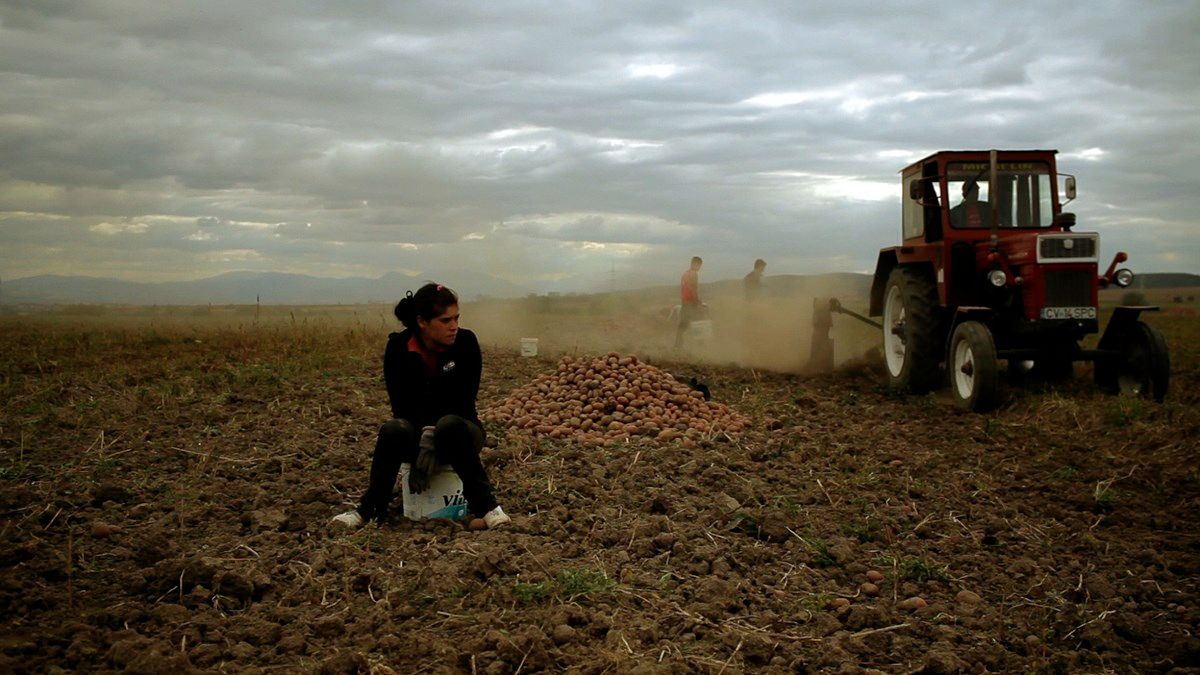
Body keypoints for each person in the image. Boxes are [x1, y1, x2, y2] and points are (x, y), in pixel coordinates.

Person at [333, 283, 510, 529]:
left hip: (462, 432)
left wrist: (432, 442)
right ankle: (370, 510)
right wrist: (420, 450)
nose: (454, 326)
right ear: (422, 321)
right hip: (416, 434)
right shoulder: (398, 348)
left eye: (456, 318)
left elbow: (462, 401)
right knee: (393, 430)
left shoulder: (466, 344)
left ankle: (487, 507)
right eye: (445, 320)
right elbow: (402, 406)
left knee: (449, 425)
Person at [674, 256, 704, 349]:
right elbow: (693, 289)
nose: (699, 268)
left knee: (683, 324)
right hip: (690, 302)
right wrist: (697, 301)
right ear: (696, 264)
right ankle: (700, 345)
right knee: (698, 322)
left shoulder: (685, 274)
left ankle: (678, 345)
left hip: (685, 302)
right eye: (699, 265)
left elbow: (685, 288)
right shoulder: (693, 274)